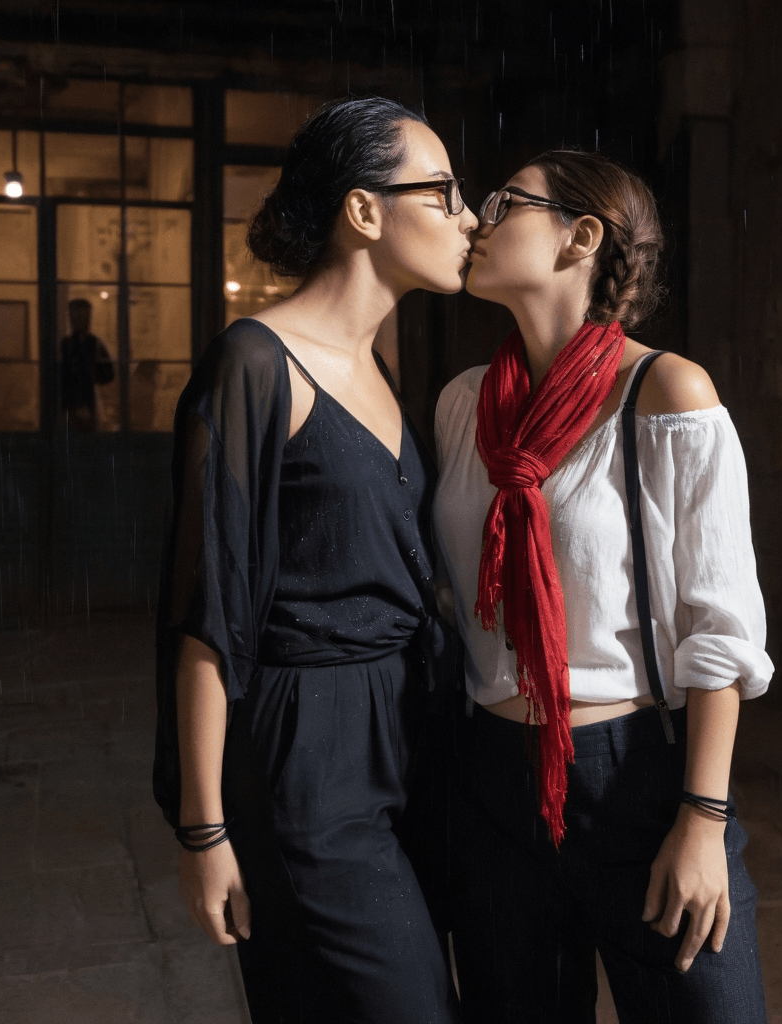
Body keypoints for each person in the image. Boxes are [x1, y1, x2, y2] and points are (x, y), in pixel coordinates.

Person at [153, 96, 476, 1024]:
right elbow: (208, 614)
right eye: (445, 192)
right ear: (364, 210)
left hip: (407, 728)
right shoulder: (255, 363)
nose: (466, 218)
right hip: (309, 744)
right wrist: (205, 829)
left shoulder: (379, 367)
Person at [433, 150, 774, 1023]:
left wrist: (702, 819)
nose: (476, 218)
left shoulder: (664, 391)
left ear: (580, 236)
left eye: (505, 202)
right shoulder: (464, 404)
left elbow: (720, 629)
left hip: (634, 780)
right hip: (493, 783)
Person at [60, 298, 114, 431]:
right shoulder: (68, 344)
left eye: (81, 316)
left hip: (81, 399)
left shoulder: (92, 343)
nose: (77, 320)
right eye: (75, 316)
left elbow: (108, 374)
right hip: (74, 401)